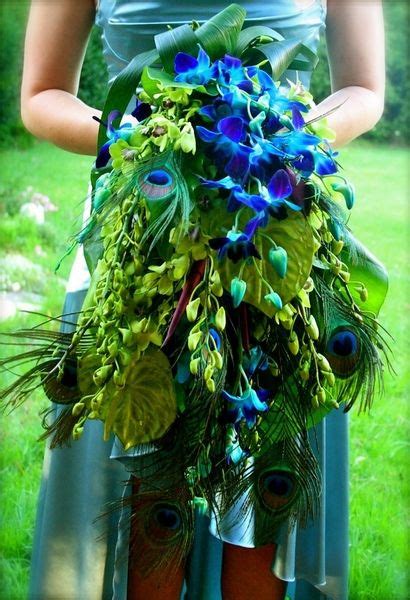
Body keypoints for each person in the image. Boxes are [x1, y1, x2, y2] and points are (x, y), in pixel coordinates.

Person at [21, 1, 385, 599]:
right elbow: (42, 95)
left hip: (276, 225)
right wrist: (153, 144)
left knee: (264, 488)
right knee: (144, 492)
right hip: (144, 230)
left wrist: (277, 136)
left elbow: (363, 87)